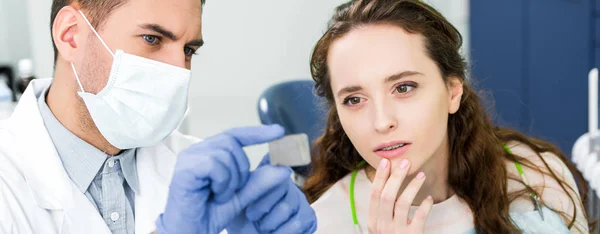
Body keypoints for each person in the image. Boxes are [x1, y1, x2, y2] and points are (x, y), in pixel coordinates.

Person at [0, 0, 317, 233]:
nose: (179, 71)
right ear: (71, 35)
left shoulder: (198, 170)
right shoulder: (8, 180)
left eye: (189, 50)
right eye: (152, 39)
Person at [303, 0, 591, 233]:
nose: (382, 122)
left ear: (453, 92)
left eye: (404, 88)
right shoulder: (326, 222)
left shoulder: (535, 174)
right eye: (354, 99)